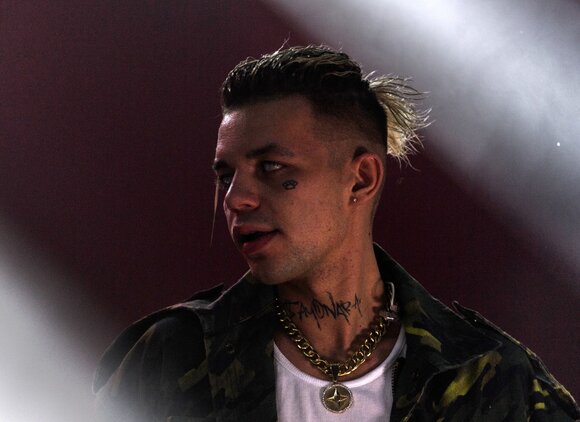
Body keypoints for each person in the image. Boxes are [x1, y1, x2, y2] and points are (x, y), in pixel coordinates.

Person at [93, 45, 579, 421]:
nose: (236, 199)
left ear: (361, 179)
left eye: (271, 167)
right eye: (226, 175)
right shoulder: (170, 359)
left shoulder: (496, 378)